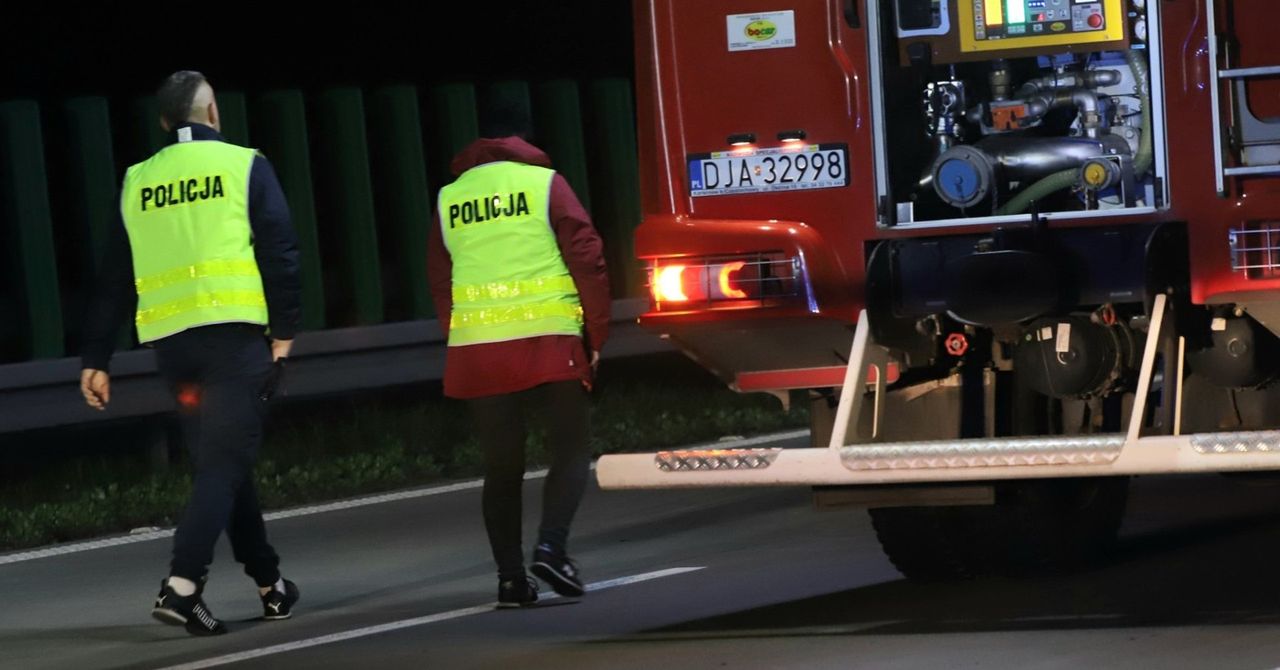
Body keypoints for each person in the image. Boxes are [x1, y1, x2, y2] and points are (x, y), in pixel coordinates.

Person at [79, 70, 301, 636]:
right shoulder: (243, 163)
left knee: (222, 465)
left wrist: (96, 358)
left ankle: (270, 585)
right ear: (213, 113)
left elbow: (114, 276)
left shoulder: (138, 180)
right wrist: (284, 331)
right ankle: (181, 587)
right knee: (224, 463)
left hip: (173, 349)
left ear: (163, 121)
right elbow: (279, 248)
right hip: (233, 341)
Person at [428, 102, 611, 608]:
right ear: (523, 138)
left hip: (480, 347)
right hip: (550, 336)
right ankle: (551, 549)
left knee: (501, 466)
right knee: (571, 449)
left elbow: (440, 280)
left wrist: (461, 333)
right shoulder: (544, 183)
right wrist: (596, 334)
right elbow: (587, 256)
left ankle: (511, 580)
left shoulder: (449, 198)